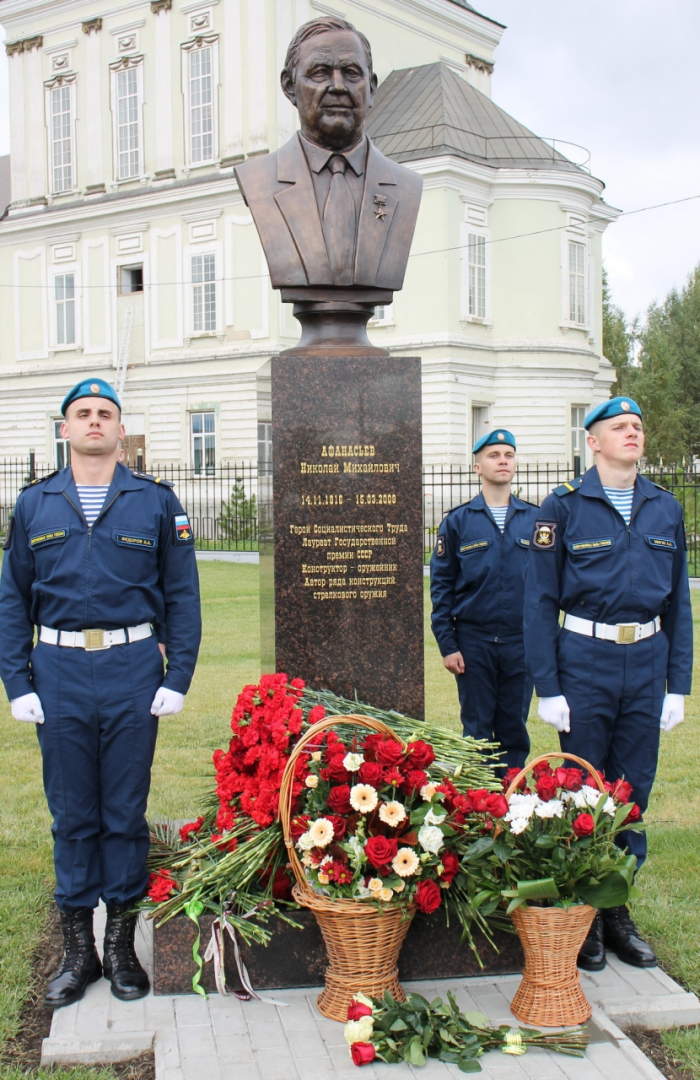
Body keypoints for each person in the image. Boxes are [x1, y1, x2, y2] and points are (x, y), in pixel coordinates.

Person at [0, 379, 201, 1007]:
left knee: (123, 811)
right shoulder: (35, 503)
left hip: (131, 669)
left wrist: (177, 676)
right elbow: (12, 598)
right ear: (65, 429)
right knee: (72, 815)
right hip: (57, 671)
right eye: (82, 414)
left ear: (120, 428)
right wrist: (16, 681)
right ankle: (77, 951)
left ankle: (118, 947)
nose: (94, 422)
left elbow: (182, 595)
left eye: (105, 413)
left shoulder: (155, 501)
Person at [524, 396, 692, 971]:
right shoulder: (563, 506)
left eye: (637, 426)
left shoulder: (664, 507)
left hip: (646, 659)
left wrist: (677, 685)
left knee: (633, 789)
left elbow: (680, 603)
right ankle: (583, 912)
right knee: (583, 787)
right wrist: (548, 687)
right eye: (619, 426)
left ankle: (616, 906)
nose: (632, 433)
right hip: (584, 660)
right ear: (592, 441)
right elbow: (539, 603)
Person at [235, 17, 422, 301]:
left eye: (351, 73)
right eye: (320, 73)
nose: (338, 86)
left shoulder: (407, 186)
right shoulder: (259, 180)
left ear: (372, 88)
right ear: (289, 86)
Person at [430, 429, 538, 771]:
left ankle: (510, 795)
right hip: (473, 643)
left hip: (520, 643)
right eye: (493, 455)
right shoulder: (457, 522)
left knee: (514, 729)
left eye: (508, 454)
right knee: (476, 730)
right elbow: (441, 587)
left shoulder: (536, 521)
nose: (502, 461)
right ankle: (478, 798)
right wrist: (448, 645)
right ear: (477, 466)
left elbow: (549, 586)